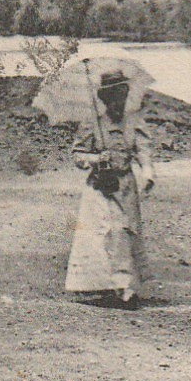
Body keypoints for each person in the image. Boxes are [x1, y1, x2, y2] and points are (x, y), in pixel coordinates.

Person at [65, 70, 155, 310]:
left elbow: (142, 148)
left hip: (125, 186)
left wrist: (147, 171)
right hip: (100, 188)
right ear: (105, 98)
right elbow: (77, 155)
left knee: (125, 232)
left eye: (123, 96)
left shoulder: (133, 122)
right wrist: (96, 158)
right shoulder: (93, 124)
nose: (119, 102)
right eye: (114, 96)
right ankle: (113, 287)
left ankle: (125, 287)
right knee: (106, 233)